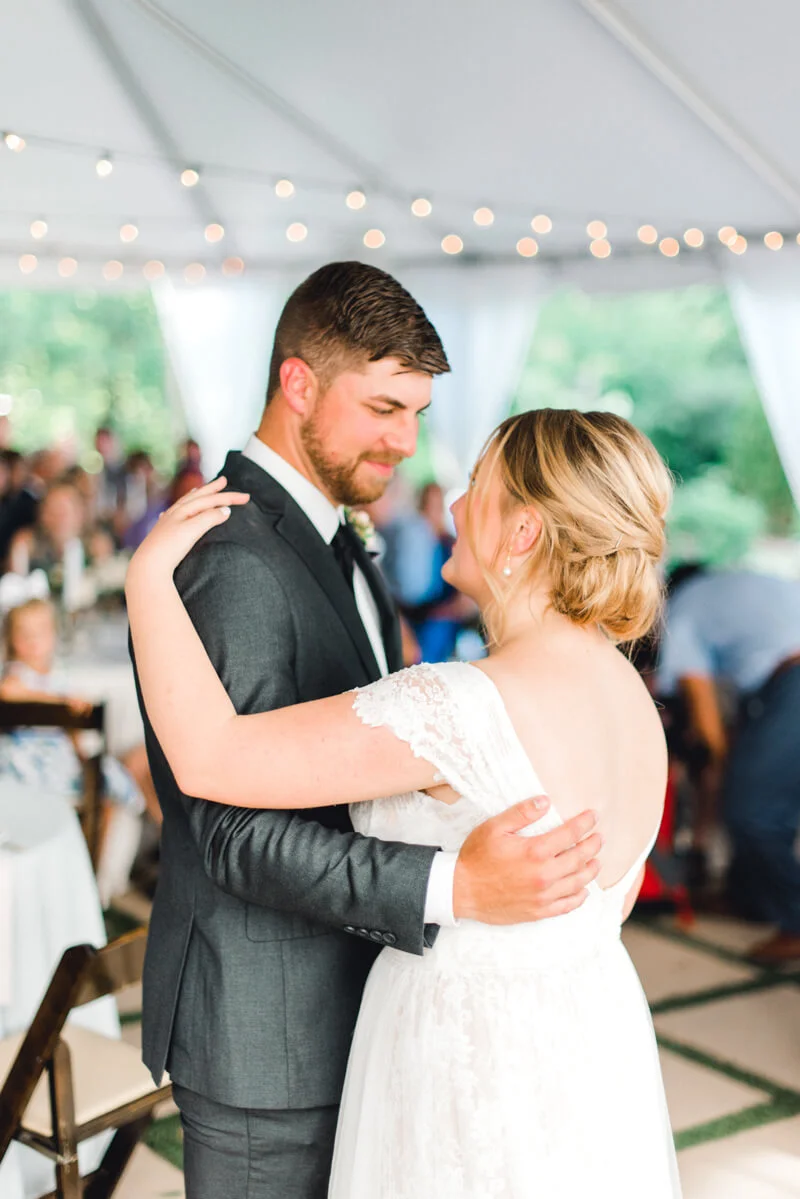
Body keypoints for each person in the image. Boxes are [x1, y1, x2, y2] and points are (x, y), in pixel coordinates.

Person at [128, 262, 601, 1199]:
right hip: (269, 1035)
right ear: (298, 382)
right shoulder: (232, 555)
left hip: (359, 1005)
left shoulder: (337, 536)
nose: (406, 441)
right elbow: (234, 831)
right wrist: (454, 883)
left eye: (417, 413)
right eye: (384, 407)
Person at [658, 566, 800, 964]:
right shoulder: (732, 588)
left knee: (753, 811)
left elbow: (704, 712)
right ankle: (748, 898)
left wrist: (720, 771)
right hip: (778, 685)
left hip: (793, 681)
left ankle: (795, 920)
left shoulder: (681, 610)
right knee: (769, 805)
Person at [0, 597, 148, 901]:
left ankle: (95, 875)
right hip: (29, 765)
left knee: (108, 786)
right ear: (12, 640)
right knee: (101, 788)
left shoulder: (57, 677)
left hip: (60, 762)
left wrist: (79, 748)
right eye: (25, 634)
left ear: (53, 635)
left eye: (40, 632)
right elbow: (8, 692)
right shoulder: (17, 675)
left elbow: (73, 736)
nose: (33, 641)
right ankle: (86, 876)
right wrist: (61, 700)